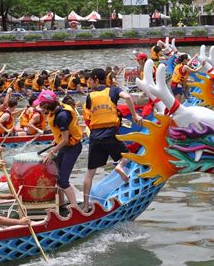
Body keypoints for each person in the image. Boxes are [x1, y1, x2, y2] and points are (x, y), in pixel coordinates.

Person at [82, 68, 143, 212]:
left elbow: (90, 115)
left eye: (90, 79)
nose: (89, 82)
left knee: (90, 173)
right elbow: (127, 97)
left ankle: (85, 207)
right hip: (110, 134)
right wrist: (135, 116)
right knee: (127, 156)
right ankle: (119, 166)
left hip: (95, 137)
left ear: (96, 80)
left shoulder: (90, 96)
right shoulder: (114, 90)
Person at [36, 91, 82, 207]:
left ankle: (75, 208)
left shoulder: (62, 116)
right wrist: (56, 140)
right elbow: (62, 137)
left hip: (72, 148)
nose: (39, 108)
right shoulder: (54, 112)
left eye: (41, 105)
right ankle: (61, 204)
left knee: (63, 181)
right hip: (64, 147)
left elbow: (66, 140)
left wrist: (52, 152)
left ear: (46, 105)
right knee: (56, 177)